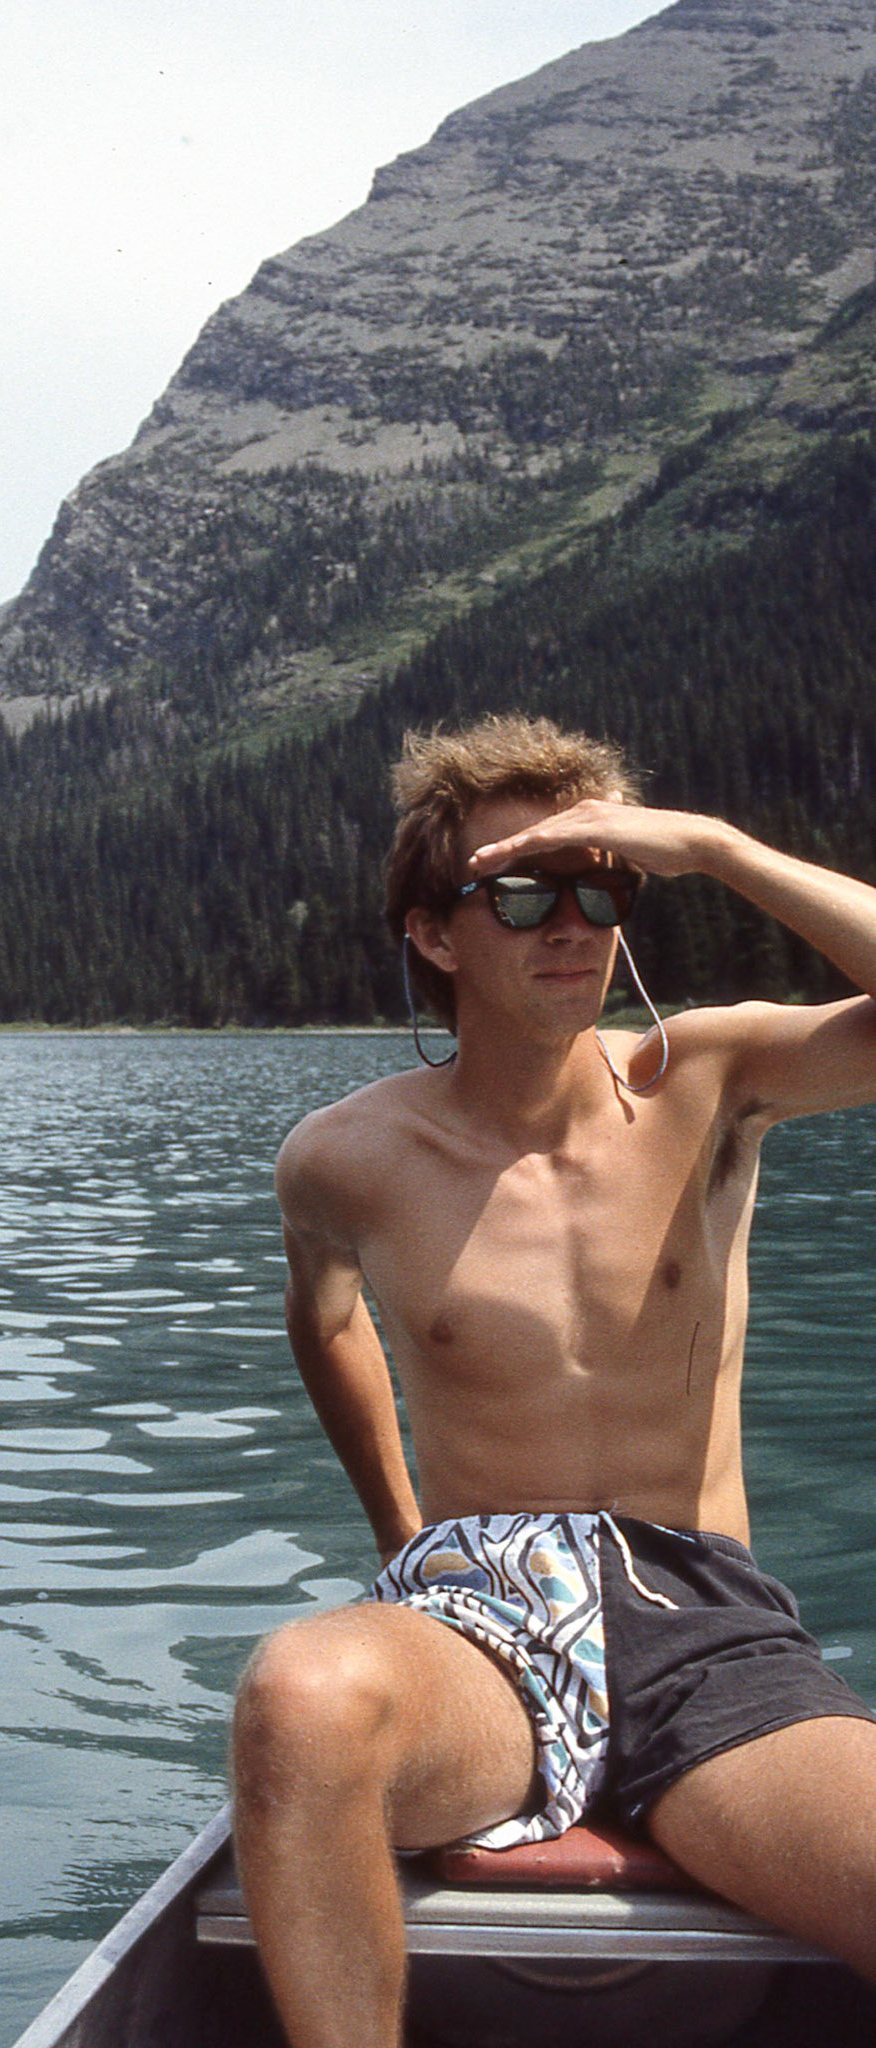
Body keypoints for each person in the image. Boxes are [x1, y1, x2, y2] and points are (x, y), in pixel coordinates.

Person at [232, 713, 876, 2048]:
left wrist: (707, 846)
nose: (569, 927)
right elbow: (325, 1319)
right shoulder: (343, 1159)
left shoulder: (709, 1077)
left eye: (601, 887)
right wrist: (399, 1530)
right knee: (299, 1700)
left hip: (702, 1615)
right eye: (519, 893)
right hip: (481, 1613)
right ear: (430, 932)